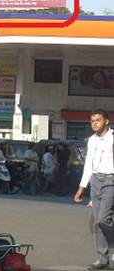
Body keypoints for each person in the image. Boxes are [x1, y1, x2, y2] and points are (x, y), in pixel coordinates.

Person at [74, 109, 114, 270]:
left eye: (98, 120)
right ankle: (101, 259)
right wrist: (81, 188)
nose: (94, 123)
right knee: (98, 223)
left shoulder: (113, 138)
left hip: (111, 180)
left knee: (104, 219)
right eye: (92, 121)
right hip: (95, 181)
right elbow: (88, 165)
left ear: (106, 121)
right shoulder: (91, 140)